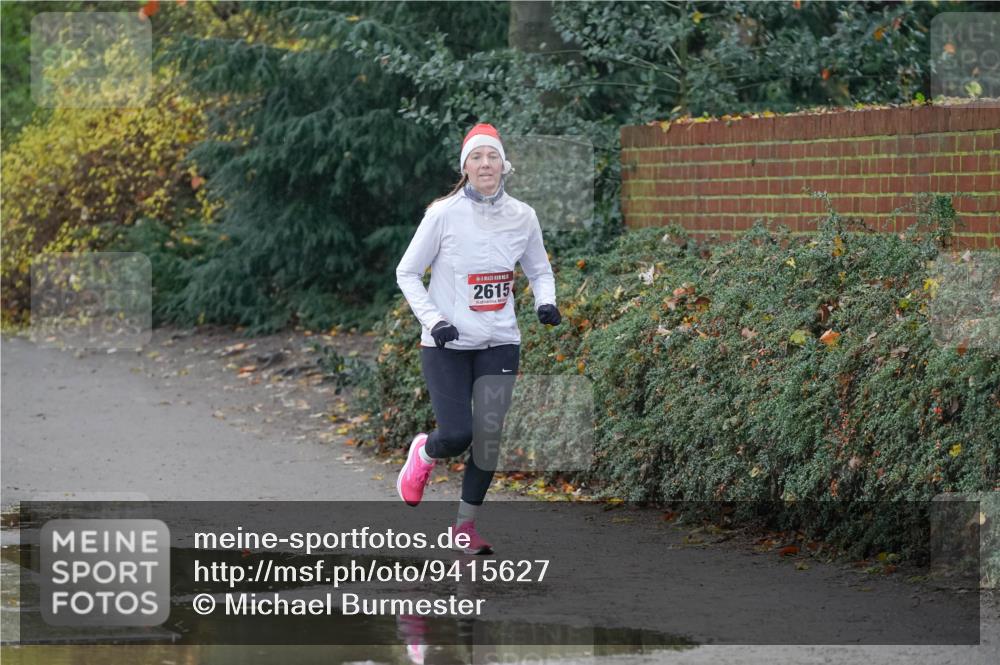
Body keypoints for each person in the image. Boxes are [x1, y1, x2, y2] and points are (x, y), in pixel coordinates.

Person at [394, 123, 562, 555]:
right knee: (456, 435)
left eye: (492, 157)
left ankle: (464, 528)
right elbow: (407, 272)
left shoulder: (522, 215)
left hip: (500, 340)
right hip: (447, 343)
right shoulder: (443, 215)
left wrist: (545, 301)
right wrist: (434, 321)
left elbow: (539, 269)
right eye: (476, 157)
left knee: (488, 439)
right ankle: (425, 453)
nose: (485, 164)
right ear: (464, 167)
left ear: (503, 165)